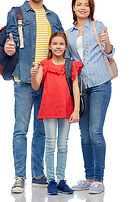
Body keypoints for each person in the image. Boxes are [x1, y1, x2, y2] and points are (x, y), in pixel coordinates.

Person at [4, 0, 64, 193]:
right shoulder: (16, 13)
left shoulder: (53, 17)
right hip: (24, 80)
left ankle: (38, 174)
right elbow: (11, 40)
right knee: (21, 129)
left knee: (41, 130)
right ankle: (20, 176)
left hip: (48, 82)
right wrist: (8, 48)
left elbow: (60, 47)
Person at [66, 0, 115, 194]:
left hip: (100, 83)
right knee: (84, 134)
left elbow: (110, 52)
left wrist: (107, 42)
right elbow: (69, 61)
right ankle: (89, 177)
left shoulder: (98, 26)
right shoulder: (68, 33)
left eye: (86, 5)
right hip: (81, 87)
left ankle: (100, 180)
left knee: (95, 132)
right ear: (74, 8)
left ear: (90, 8)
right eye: (79, 4)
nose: (83, 8)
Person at [31, 32, 83, 195]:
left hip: (66, 109)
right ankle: (51, 180)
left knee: (62, 145)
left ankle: (61, 180)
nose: (58, 47)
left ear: (66, 46)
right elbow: (35, 85)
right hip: (49, 109)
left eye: (61, 44)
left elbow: (76, 89)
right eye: (55, 44)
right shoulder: (44, 64)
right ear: (50, 46)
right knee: (50, 145)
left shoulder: (71, 65)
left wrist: (76, 110)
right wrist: (33, 74)